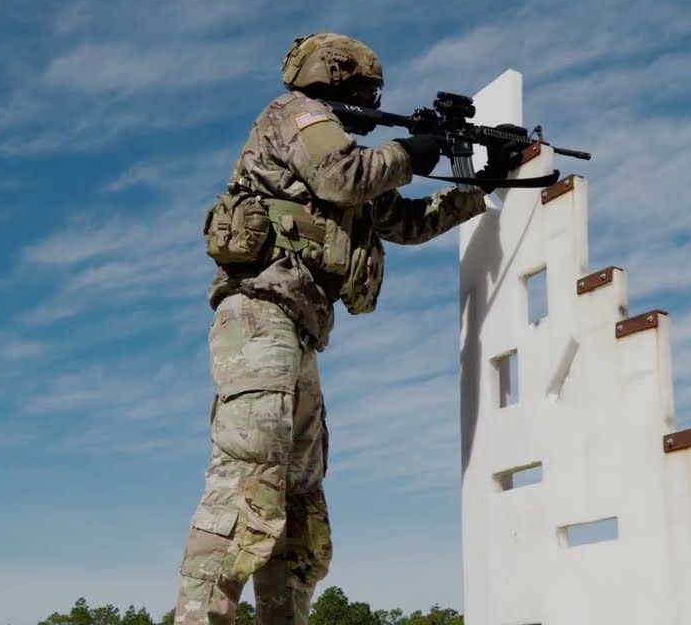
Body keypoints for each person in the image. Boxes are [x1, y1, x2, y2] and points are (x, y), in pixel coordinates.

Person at [175, 32, 525, 625]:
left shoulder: (340, 155)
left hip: (298, 332)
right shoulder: (296, 115)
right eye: (365, 90)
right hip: (259, 316)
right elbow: (344, 176)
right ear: (333, 79)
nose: (371, 101)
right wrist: (418, 150)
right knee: (247, 480)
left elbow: (406, 222)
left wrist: (480, 180)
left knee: (300, 502)